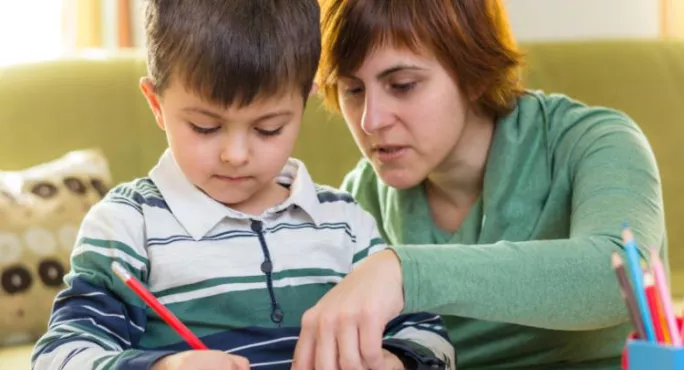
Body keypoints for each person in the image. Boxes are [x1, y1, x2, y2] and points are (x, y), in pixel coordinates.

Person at [29, 1, 455, 369]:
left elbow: (428, 336)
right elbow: (60, 355)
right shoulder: (127, 226)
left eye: (268, 128)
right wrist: (163, 366)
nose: (236, 154)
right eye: (205, 126)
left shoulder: (345, 222)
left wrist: (396, 361)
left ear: (303, 103)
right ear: (157, 104)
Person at [292, 0, 667, 369]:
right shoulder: (359, 200)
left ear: (474, 74)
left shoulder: (595, 141)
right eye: (352, 90)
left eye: (403, 85)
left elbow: (623, 279)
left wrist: (404, 272)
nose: (370, 121)